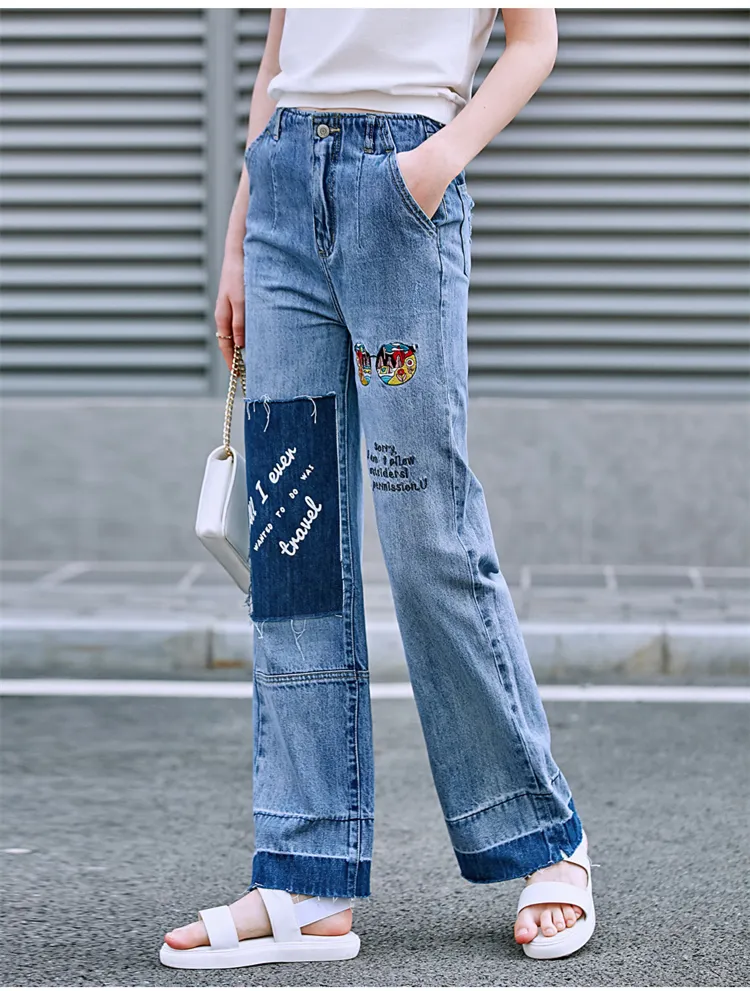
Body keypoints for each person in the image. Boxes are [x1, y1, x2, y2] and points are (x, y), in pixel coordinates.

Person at [160, 7, 596, 970]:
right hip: (281, 192)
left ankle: (545, 839)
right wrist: (237, 236)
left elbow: (535, 38)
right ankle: (307, 878)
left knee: (428, 531)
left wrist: (435, 162)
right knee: (294, 546)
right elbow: (281, 52)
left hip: (400, 180)